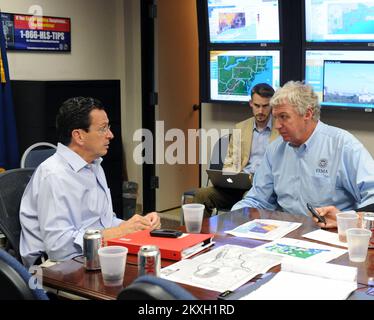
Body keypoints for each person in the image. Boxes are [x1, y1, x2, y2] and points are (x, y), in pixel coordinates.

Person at [19, 97, 161, 267]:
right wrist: (119, 231)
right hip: (55, 267)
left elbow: (105, 222)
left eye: (108, 127)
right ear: (79, 136)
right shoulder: (53, 175)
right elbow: (59, 248)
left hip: (93, 251)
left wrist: (136, 225)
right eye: (103, 129)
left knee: (155, 267)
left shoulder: (94, 164)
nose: (111, 135)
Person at [232, 81, 374, 219]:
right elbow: (257, 200)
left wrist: (344, 219)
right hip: (285, 232)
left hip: (330, 233)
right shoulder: (275, 150)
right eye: (275, 118)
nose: (277, 126)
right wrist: (231, 218)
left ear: (307, 114)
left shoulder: (343, 146)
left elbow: (372, 198)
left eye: (284, 117)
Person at [193, 83, 279, 217]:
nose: (260, 111)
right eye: (257, 106)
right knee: (201, 196)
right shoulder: (241, 128)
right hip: (238, 185)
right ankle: (201, 237)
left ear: (272, 105)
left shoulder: (280, 130)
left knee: (248, 200)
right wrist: (232, 177)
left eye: (265, 106)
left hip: (262, 189)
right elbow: (230, 163)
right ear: (251, 103)